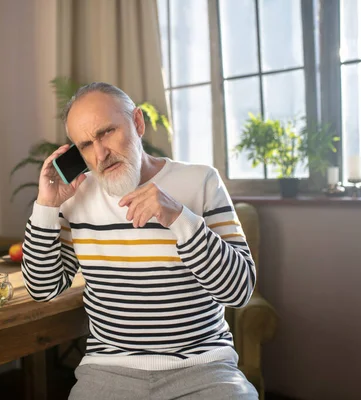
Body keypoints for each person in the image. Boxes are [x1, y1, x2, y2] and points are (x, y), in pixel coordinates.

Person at [21, 82, 258, 400]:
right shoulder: (74, 198)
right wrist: (46, 206)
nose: (101, 153)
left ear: (138, 123)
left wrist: (179, 217)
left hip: (203, 369)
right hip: (107, 370)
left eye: (106, 132)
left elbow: (239, 291)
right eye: (86, 145)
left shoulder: (201, 181)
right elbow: (42, 288)